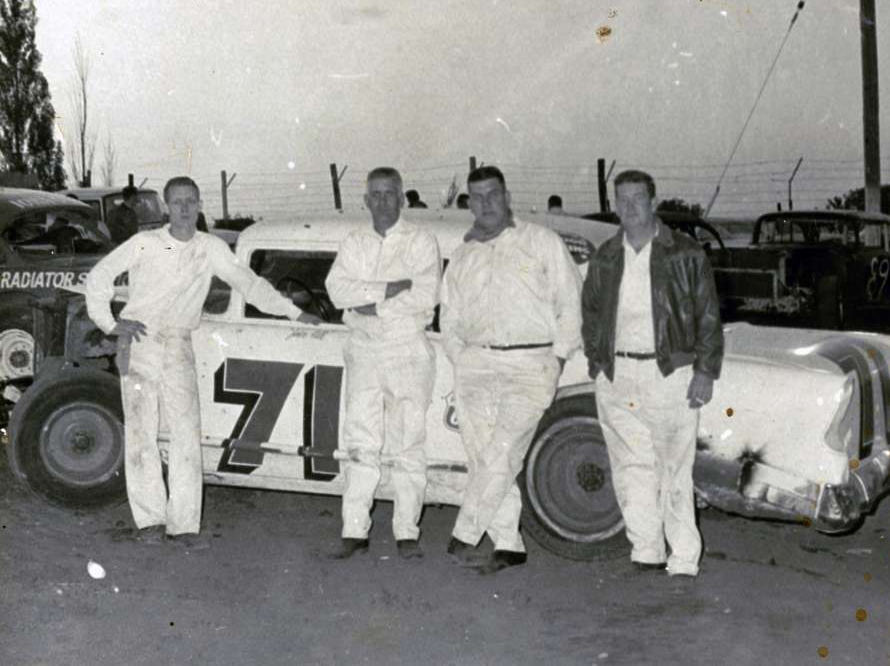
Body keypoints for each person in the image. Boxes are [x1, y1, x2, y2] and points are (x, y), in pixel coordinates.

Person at [85, 176, 321, 547]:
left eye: (190, 201)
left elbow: (250, 283)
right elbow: (98, 277)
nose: (183, 208)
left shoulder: (210, 248)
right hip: (140, 343)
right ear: (166, 206)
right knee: (141, 435)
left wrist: (295, 314)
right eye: (177, 201)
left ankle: (184, 526)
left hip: (178, 345)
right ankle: (149, 522)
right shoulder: (145, 243)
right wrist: (112, 324)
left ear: (198, 205)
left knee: (185, 437)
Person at [581, 169, 723, 578]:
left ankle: (682, 558)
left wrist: (704, 370)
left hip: (669, 373)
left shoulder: (685, 253)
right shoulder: (607, 255)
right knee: (630, 467)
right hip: (617, 373)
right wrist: (598, 363)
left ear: (653, 201)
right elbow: (589, 312)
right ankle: (646, 549)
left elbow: (708, 315)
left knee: (674, 470)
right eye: (620, 200)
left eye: (637, 198)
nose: (628, 207)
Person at [440, 166, 582, 574]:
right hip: (476, 364)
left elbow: (571, 301)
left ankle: (465, 531)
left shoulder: (541, 242)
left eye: (493, 195)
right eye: (477, 197)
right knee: (483, 456)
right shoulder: (464, 253)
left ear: (507, 196)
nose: (485, 204)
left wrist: (557, 358)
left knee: (503, 451)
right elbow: (448, 316)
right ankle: (509, 543)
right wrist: (460, 356)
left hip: (530, 363)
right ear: (468, 201)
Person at [325, 167, 441, 560]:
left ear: (402, 198)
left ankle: (407, 531)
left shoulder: (421, 241)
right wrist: (390, 289)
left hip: (407, 347)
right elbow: (336, 291)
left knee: (408, 441)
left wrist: (368, 299)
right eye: (375, 194)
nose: (382, 201)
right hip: (364, 348)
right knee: (360, 440)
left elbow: (425, 296)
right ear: (365, 200)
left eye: (389, 194)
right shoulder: (354, 242)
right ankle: (354, 528)